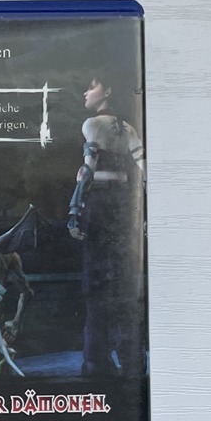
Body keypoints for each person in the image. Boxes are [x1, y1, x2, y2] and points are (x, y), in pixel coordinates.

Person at [66, 77, 145, 376]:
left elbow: (88, 169)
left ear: (107, 91)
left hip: (98, 206)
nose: (86, 93)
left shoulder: (92, 125)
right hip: (123, 207)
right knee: (123, 281)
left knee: (95, 282)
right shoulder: (128, 129)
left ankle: (96, 362)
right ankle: (130, 359)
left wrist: (74, 209)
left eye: (91, 87)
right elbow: (144, 169)